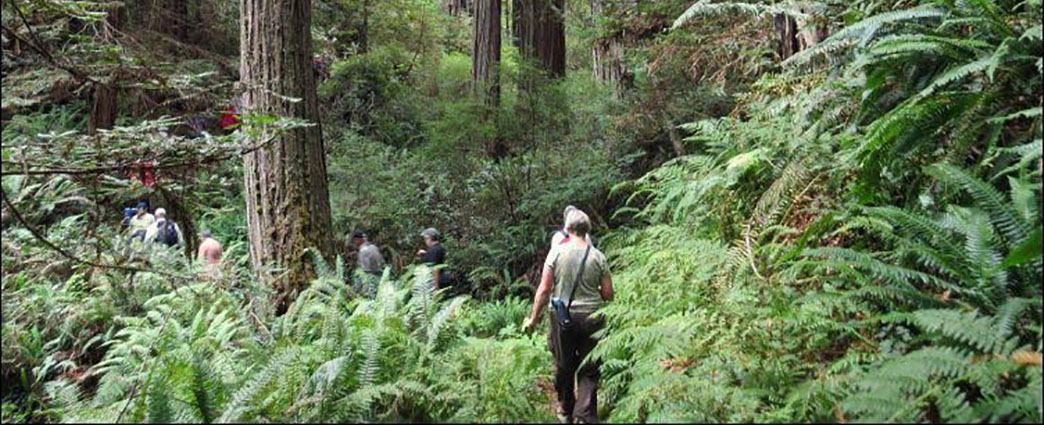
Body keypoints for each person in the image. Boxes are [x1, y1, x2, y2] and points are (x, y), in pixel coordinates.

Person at [523, 209, 613, 424]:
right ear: (587, 230)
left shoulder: (556, 253)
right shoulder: (598, 256)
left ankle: (566, 410)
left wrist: (533, 319)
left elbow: (544, 290)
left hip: (562, 317)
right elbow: (608, 294)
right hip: (593, 316)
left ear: (568, 229)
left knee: (564, 364)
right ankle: (584, 415)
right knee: (589, 367)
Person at [351, 230, 385, 298]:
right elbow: (382, 262)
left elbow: (365, 271)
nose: (354, 242)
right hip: (381, 278)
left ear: (358, 239)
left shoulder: (363, 251)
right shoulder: (374, 247)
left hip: (371, 280)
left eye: (355, 240)